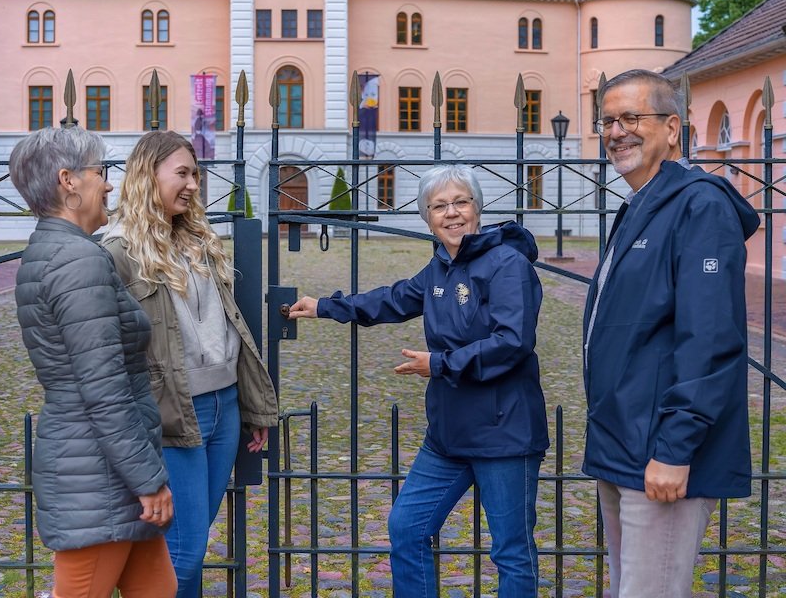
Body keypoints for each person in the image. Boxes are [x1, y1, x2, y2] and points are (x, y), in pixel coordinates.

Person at [289, 164, 549, 596]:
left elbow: (512, 342)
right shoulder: (440, 269)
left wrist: (440, 364)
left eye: (461, 202)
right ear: (427, 218)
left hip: (506, 434)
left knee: (511, 553)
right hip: (449, 435)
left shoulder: (507, 264)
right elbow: (391, 299)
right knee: (407, 527)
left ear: (478, 209)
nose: (452, 213)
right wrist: (325, 307)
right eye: (439, 206)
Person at [583, 69, 759, 597]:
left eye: (632, 118)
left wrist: (676, 448)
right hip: (622, 446)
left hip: (659, 453)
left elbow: (710, 340)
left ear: (673, 129)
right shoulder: (642, 206)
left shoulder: (699, 206)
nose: (617, 132)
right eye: (608, 121)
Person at [102, 130, 278, 597]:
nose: (194, 184)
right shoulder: (119, 251)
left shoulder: (197, 240)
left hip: (224, 407)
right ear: (147, 175)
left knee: (187, 546)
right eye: (182, 173)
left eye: (195, 175)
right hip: (173, 413)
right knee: (183, 551)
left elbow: (227, 329)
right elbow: (108, 349)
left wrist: (253, 407)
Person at [10, 126, 176, 598]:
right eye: (99, 171)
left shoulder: (57, 252)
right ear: (68, 181)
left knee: (158, 590)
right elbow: (103, 389)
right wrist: (148, 481)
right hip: (98, 473)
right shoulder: (76, 261)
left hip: (105, 466)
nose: (107, 184)